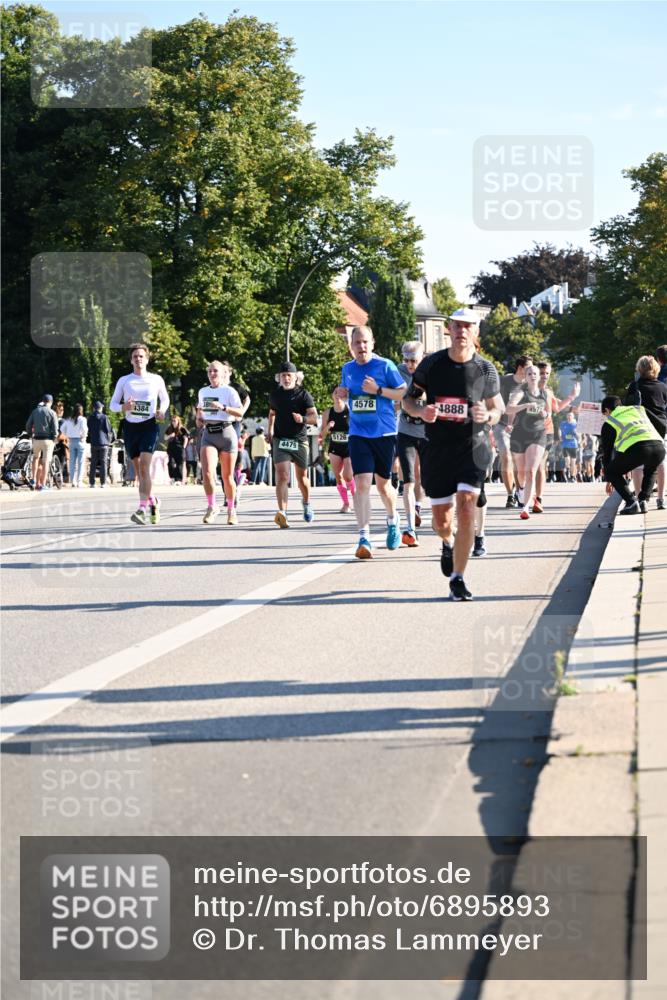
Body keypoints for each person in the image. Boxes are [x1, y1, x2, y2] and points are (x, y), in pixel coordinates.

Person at [403, 307, 503, 601]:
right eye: (456, 326)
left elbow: (498, 408)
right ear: (449, 329)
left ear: (475, 333)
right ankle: (447, 543)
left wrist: (489, 414)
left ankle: (458, 578)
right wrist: (423, 411)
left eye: (467, 327)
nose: (461, 332)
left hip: (473, 447)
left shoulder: (485, 369)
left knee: (467, 507)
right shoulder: (432, 365)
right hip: (438, 449)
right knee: (442, 522)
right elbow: (409, 401)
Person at [334, 325, 406, 558]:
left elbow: (403, 393)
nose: (361, 347)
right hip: (358, 433)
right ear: (351, 346)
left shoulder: (385, 365)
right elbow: (344, 404)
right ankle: (364, 537)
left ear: (372, 343)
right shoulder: (348, 369)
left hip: (384, 433)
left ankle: (392, 519)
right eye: (357, 343)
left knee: (384, 486)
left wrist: (378, 390)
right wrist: (339, 397)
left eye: (365, 342)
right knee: (362, 483)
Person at [109, 342, 170, 524]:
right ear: (131, 360)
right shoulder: (124, 380)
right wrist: (124, 407)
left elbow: (165, 399)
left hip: (149, 426)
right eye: (135, 356)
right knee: (139, 472)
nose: (138, 359)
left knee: (144, 467)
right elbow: (112, 405)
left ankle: (142, 508)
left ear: (147, 358)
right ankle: (154, 501)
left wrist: (161, 411)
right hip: (130, 427)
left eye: (141, 356)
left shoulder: (156, 379)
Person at [268, 361, 318, 527]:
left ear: (296, 377)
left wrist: (302, 419)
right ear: (279, 378)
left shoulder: (304, 395)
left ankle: (306, 503)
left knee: (301, 478)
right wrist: (270, 430)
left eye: (289, 375)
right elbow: (272, 413)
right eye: (283, 375)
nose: (286, 378)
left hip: (299, 440)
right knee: (283, 475)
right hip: (281, 439)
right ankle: (283, 512)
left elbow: (314, 418)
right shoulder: (275, 395)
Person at [600, 395, 665, 514]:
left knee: (612, 471)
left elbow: (607, 453)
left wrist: (609, 478)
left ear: (607, 410)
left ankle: (631, 502)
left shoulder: (610, 422)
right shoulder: (638, 409)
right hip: (659, 447)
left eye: (605, 414)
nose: (606, 417)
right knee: (651, 469)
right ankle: (642, 500)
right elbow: (661, 424)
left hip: (639, 449)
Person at [197, 360, 243, 524]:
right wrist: (200, 418)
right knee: (207, 473)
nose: (212, 374)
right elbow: (200, 410)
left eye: (215, 371)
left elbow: (240, 413)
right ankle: (211, 506)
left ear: (223, 373)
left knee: (227, 476)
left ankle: (231, 510)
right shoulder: (202, 391)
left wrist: (223, 407)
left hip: (226, 433)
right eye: (209, 371)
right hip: (209, 433)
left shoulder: (229, 392)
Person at [535, 362, 580, 511]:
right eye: (542, 373)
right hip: (527, 432)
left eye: (547, 373)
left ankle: (538, 499)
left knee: (540, 464)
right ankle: (522, 492)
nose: (545, 376)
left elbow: (556, 408)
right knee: (529, 467)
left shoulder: (548, 391)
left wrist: (572, 397)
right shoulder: (526, 389)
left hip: (546, 431)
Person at [507, 365, 549, 520]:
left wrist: (543, 413)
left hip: (538, 434)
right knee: (521, 472)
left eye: (535, 373)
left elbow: (548, 413)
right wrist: (525, 405)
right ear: (525, 376)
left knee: (531, 471)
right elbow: (508, 409)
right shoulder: (520, 392)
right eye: (529, 373)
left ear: (538, 377)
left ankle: (525, 507)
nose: (532, 375)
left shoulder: (544, 393)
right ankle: (523, 490)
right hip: (519, 435)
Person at [625, 355, 667, 509]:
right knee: (661, 463)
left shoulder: (634, 386)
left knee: (638, 465)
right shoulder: (662, 387)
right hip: (660, 429)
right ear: (656, 369)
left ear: (639, 369)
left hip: (640, 428)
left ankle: (639, 500)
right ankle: (661, 498)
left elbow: (627, 406)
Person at [397, 340, 427, 546]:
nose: (409, 364)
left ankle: (418, 505)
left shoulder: (432, 371)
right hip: (405, 428)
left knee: (422, 474)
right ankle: (410, 529)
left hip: (426, 430)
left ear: (422, 358)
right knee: (408, 480)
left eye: (413, 361)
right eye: (406, 360)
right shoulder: (397, 371)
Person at [494, 355, 532, 507]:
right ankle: (510, 495)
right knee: (506, 457)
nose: (531, 371)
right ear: (520, 368)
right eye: (529, 367)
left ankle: (520, 491)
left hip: (521, 428)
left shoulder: (530, 385)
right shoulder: (504, 381)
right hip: (502, 425)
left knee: (519, 462)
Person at [319, 389, 355, 513]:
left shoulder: (350, 410)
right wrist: (328, 427)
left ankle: (357, 499)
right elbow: (321, 435)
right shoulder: (327, 413)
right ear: (332, 396)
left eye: (340, 393)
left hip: (349, 446)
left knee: (348, 475)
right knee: (339, 476)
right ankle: (346, 504)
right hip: (334, 447)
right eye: (335, 393)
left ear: (344, 395)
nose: (338, 395)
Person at [25, 394, 58, 491]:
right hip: (47, 440)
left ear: (43, 401)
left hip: (36, 439)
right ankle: (43, 484)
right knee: (45, 462)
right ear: (51, 402)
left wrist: (31, 434)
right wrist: (54, 437)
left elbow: (28, 425)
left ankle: (34, 480)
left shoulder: (35, 411)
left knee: (35, 458)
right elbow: (55, 428)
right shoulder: (52, 412)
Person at [60, 403, 88, 488]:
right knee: (80, 462)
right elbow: (84, 429)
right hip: (80, 441)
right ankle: (79, 481)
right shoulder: (82, 419)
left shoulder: (68, 420)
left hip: (71, 441)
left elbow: (62, 429)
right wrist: (83, 436)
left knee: (72, 462)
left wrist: (67, 434)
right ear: (81, 411)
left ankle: (73, 480)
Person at [87, 401, 113, 488]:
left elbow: (89, 429)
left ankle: (92, 483)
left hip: (94, 442)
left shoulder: (90, 418)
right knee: (103, 462)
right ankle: (103, 483)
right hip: (103, 443)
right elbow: (108, 430)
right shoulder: (104, 417)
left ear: (94, 408)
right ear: (100, 408)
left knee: (93, 463)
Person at [164, 415, 189, 485]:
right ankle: (172, 477)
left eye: (174, 421)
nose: (173, 422)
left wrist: (184, 447)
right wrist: (170, 435)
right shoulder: (169, 428)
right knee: (170, 463)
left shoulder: (182, 429)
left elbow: (186, 438)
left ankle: (178, 479)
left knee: (179, 464)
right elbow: (165, 437)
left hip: (180, 449)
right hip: (171, 449)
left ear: (178, 421)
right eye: (172, 421)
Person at [558, 409, 579, 481]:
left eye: (571, 416)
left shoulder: (575, 424)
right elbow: (559, 430)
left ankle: (572, 476)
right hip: (565, 444)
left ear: (573, 417)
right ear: (567, 417)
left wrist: (577, 434)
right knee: (567, 460)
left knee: (573, 462)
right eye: (568, 415)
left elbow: (579, 434)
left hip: (573, 445)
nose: (569, 417)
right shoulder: (563, 423)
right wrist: (560, 436)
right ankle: (567, 469)